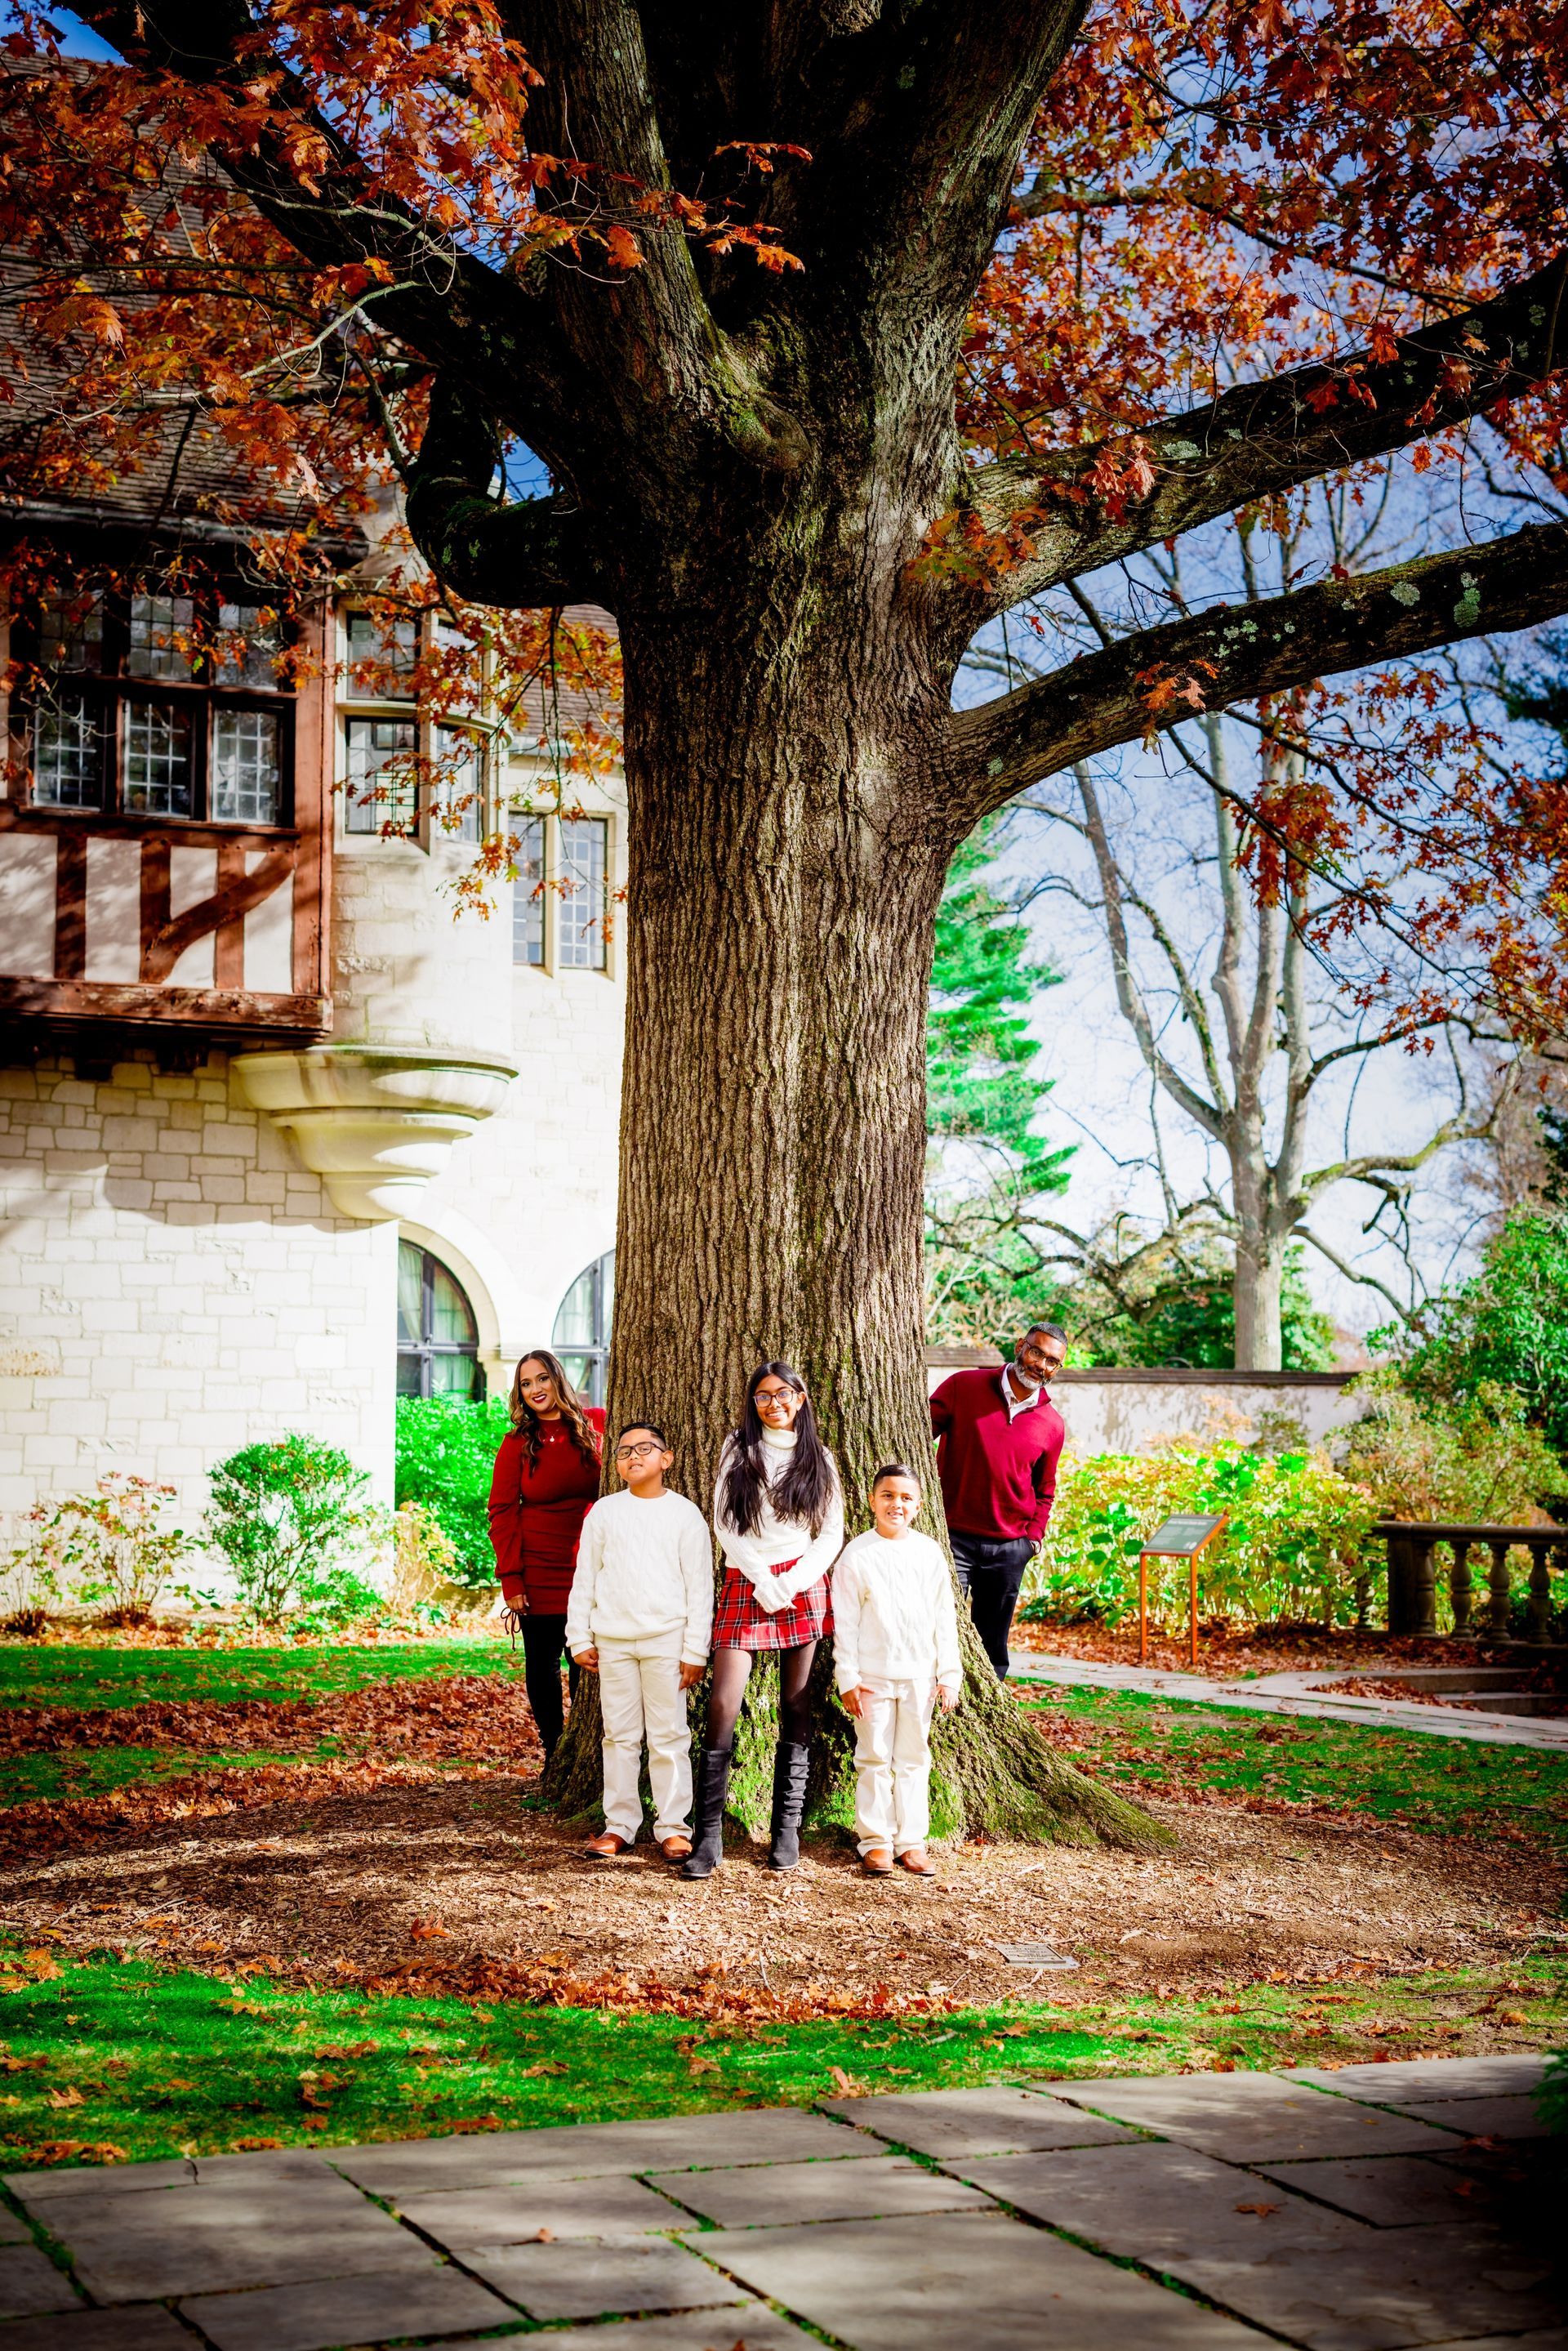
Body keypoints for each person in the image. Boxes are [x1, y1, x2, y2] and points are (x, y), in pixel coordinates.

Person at [683, 1360, 844, 1880]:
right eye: (762, 1396)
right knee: (723, 1702)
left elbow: (830, 1534)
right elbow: (726, 1522)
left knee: (797, 1705)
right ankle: (707, 1835)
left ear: (800, 1398)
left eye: (782, 1394)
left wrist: (790, 1583)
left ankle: (786, 1829)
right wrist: (762, 1580)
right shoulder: (739, 1447)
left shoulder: (821, 1457)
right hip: (746, 1580)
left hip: (802, 1582)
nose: (773, 1403)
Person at [567, 1422, 714, 1862]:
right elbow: (585, 1578)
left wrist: (694, 1650)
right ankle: (620, 1825)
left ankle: (672, 1827)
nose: (633, 1456)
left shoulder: (684, 1514)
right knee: (619, 1736)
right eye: (624, 1450)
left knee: (669, 1735)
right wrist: (579, 1636)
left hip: (667, 1640)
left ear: (665, 1459)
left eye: (645, 1448)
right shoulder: (605, 1513)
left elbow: (700, 1587)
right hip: (612, 1641)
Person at [835, 1461, 961, 1876]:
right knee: (872, 1756)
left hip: (919, 1676)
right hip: (872, 1675)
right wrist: (848, 1677)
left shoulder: (928, 1552)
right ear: (872, 1500)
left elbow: (945, 1616)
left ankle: (912, 1841)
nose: (896, 1504)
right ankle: (875, 1840)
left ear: (919, 1505)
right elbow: (846, 1622)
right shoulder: (857, 1553)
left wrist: (948, 1674)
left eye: (906, 1498)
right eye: (888, 1495)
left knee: (912, 1758)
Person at [929, 1319, 1067, 1680]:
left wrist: (1032, 1540)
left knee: (992, 1645)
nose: (1041, 1364)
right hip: (951, 1537)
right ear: (1021, 1345)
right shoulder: (964, 1386)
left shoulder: (1052, 1424)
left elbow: (1045, 1488)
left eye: (1052, 1361)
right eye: (1037, 1351)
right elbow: (915, 1438)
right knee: (938, 1626)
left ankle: (989, 1701)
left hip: (1009, 1547)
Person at [487, 1349, 605, 1764]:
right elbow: (501, 1511)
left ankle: (589, 1747)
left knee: (585, 1658)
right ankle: (557, 1751)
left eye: (542, 1379)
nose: (535, 1389)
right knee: (543, 1663)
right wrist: (511, 1578)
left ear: (557, 1379)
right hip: (538, 1568)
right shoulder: (518, 1443)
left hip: (591, 1567)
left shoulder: (597, 1424)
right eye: (525, 1383)